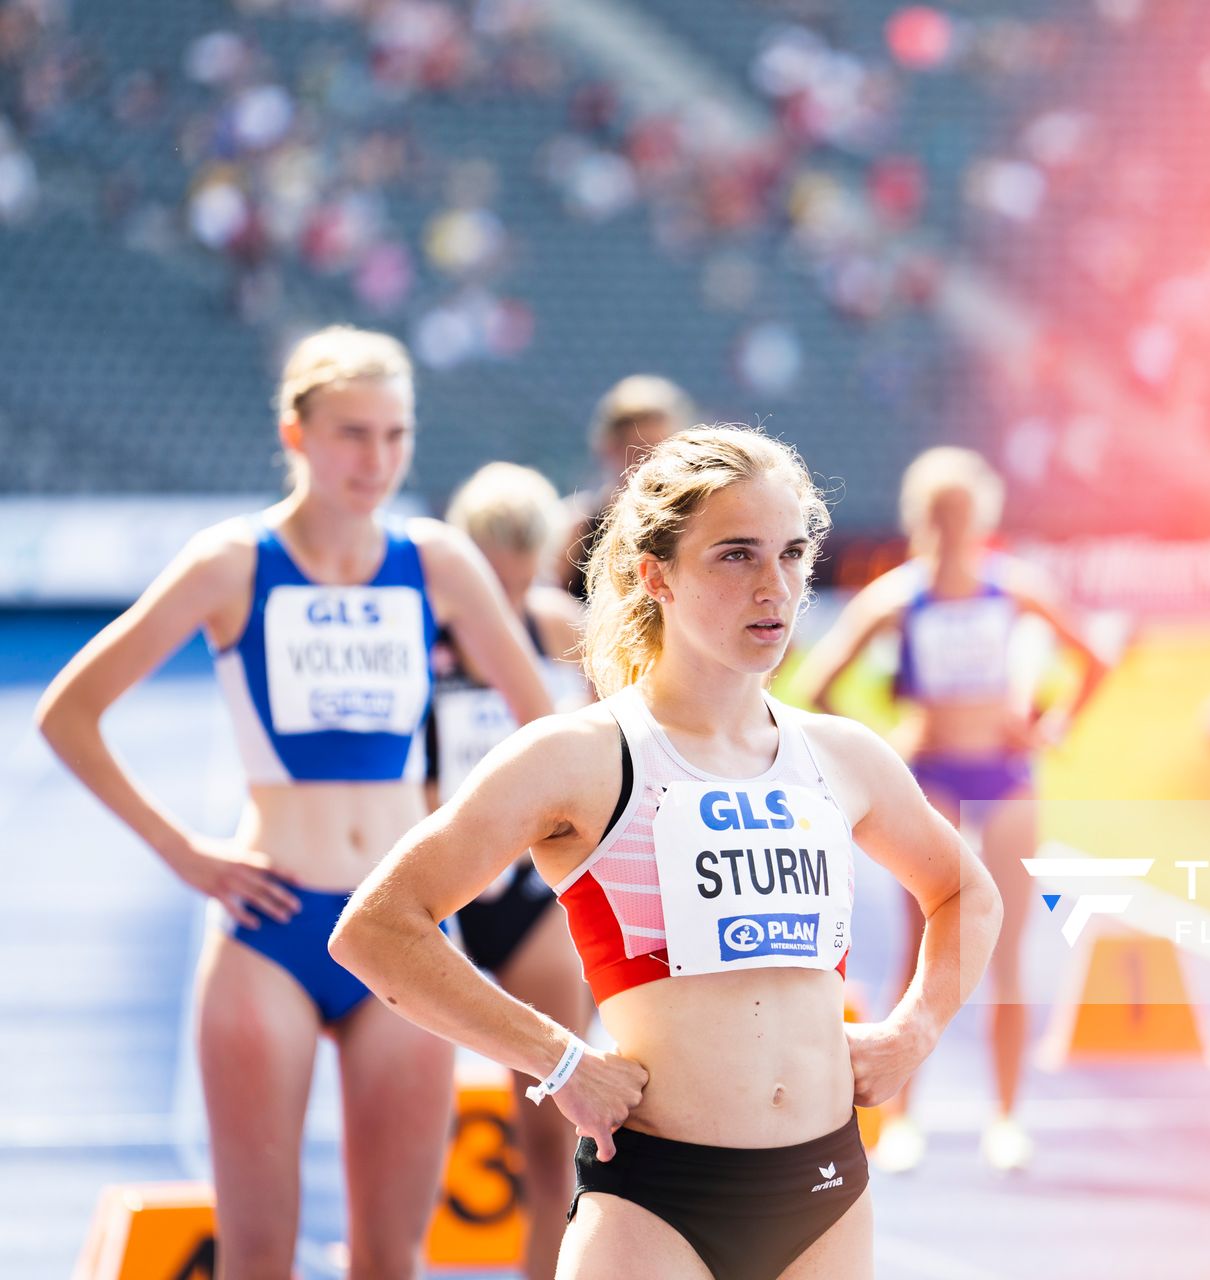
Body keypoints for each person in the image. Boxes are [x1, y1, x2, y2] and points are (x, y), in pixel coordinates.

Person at [330, 426, 1003, 1280]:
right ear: (656, 576)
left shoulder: (842, 756)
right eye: (735, 555)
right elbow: (379, 928)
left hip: (827, 1189)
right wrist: (558, 1058)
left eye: (793, 553)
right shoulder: (579, 756)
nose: (776, 586)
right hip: (658, 1208)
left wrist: (915, 1029)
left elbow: (966, 895)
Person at [35, 326, 554, 1278]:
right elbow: (68, 713)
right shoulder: (231, 563)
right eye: (353, 434)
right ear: (297, 433)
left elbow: (542, 730)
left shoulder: (436, 562)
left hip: (402, 928)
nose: (378, 460)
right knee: (259, 1255)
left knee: (390, 1257)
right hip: (271, 921)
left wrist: (468, 845)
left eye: (396, 435)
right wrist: (183, 851)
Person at [792, 446, 1110, 1173]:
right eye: (937, 514)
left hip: (1006, 775)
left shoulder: (1014, 590)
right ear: (920, 519)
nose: (949, 526)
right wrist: (877, 746)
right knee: (924, 948)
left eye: (961, 513)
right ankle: (904, 1117)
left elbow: (1093, 659)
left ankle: (1007, 1116)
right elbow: (819, 681)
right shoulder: (900, 598)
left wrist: (1051, 725)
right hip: (930, 774)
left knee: (1005, 955)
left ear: (982, 517)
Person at [429, 460, 594, 1280]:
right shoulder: (420, 635)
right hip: (430, 892)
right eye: (488, 571)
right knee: (418, 1130)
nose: (505, 589)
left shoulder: (565, 631)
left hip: (530, 896)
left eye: (521, 569)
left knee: (550, 1135)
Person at [556, 374, 695, 601]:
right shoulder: (576, 528)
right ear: (609, 449)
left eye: (664, 450)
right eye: (641, 451)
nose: (652, 463)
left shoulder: (691, 524)